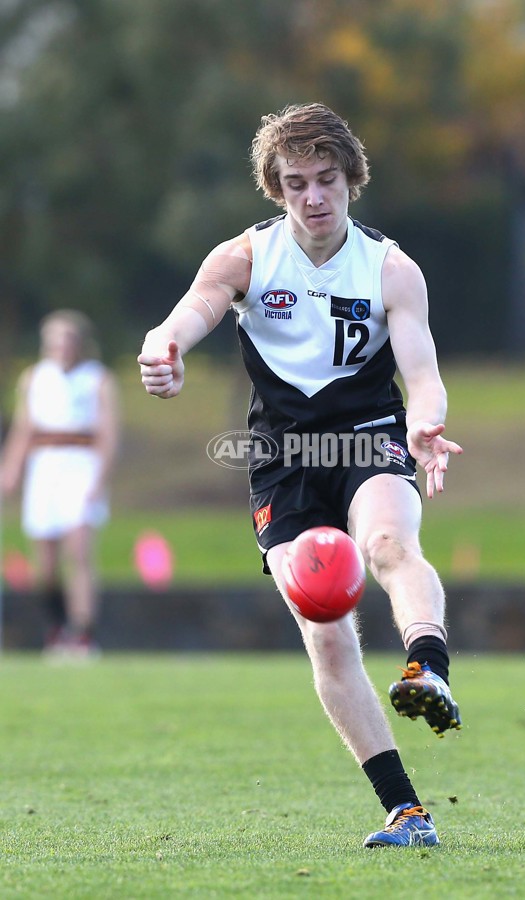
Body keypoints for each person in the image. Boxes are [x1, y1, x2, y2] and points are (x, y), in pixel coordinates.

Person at [137, 103, 463, 848]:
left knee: (387, 543)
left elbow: (424, 371)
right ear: (275, 190)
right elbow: (194, 309)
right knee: (324, 631)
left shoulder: (390, 269)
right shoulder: (245, 257)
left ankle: (428, 666)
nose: (313, 198)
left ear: (351, 179)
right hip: (283, 462)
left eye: (326, 180)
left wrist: (424, 422)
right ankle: (406, 811)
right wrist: (165, 346)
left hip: (368, 438)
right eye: (295, 184)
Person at [1, 309, 120, 657]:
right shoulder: (34, 378)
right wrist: (11, 469)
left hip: (81, 465)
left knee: (78, 551)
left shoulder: (97, 379)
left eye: (68, 339)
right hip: (44, 467)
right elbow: (24, 429)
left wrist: (99, 478)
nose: (61, 347)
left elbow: (108, 434)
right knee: (45, 563)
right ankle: (56, 628)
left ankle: (82, 632)